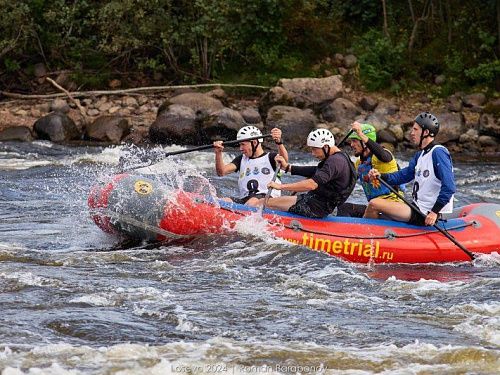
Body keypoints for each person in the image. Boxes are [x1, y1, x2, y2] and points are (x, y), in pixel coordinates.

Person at [366, 112, 456, 226]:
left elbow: (449, 187)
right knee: (379, 210)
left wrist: (434, 212)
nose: (412, 133)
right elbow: (402, 176)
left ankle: (364, 239)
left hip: (424, 213)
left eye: (415, 129)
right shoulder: (420, 155)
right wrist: (381, 176)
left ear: (426, 132)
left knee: (374, 204)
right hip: (416, 207)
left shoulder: (438, 152)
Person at [263, 129, 357, 218]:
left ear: (325, 147)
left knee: (265, 203)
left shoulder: (335, 161)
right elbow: (315, 170)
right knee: (269, 202)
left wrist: (281, 186)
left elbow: (311, 184)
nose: (313, 153)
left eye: (314, 149)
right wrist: (288, 168)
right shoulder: (339, 157)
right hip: (314, 202)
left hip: (315, 208)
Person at [337, 121, 403, 217]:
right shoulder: (359, 164)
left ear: (364, 143)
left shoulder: (383, 156)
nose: (351, 145)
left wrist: (361, 134)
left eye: (354, 141)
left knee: (373, 205)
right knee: (344, 208)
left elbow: (383, 155)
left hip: (393, 208)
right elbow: (344, 178)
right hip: (374, 208)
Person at [213, 126, 288, 206]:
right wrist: (218, 153)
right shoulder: (241, 159)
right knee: (222, 201)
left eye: (243, 144)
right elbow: (221, 172)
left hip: (267, 200)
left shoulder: (271, 157)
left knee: (252, 202)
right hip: (246, 200)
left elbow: (284, 161)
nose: (240, 148)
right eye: (240, 145)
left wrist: (279, 142)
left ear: (254, 142)